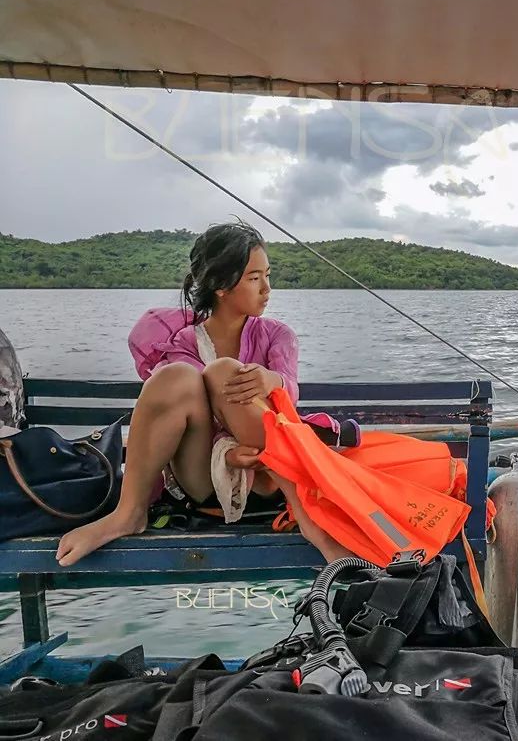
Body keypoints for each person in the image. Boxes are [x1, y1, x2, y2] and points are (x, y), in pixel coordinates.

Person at [55, 221, 351, 566]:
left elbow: (290, 395)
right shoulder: (183, 342)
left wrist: (273, 380)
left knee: (224, 371)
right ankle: (129, 513)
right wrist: (226, 454)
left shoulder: (276, 335)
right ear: (221, 285)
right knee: (178, 376)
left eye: (268, 275)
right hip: (206, 478)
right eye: (255, 278)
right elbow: (190, 407)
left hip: (272, 478)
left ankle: (310, 520)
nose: (267, 288)